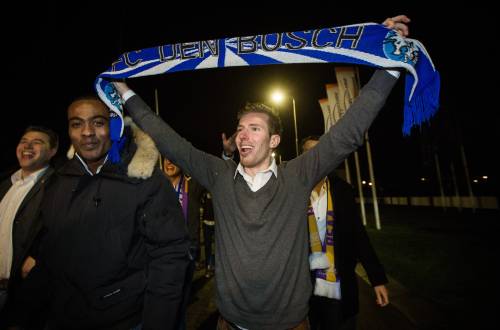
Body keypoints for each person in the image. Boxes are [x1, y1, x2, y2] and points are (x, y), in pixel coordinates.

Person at [113, 15, 410, 329]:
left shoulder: (298, 175)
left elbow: (349, 132)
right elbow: (168, 140)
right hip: (231, 323)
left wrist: (390, 65)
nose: (243, 135)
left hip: (291, 324)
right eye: (240, 129)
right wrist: (122, 89)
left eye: (254, 129)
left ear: (274, 141)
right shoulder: (218, 175)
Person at [11, 96, 190, 330]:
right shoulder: (58, 183)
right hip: (65, 316)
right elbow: (50, 255)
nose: (86, 132)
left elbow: (170, 254)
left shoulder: (145, 180)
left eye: (97, 122)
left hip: (125, 318)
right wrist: (19, 315)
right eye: (76, 124)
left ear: (114, 125)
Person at [301, 135, 389, 330]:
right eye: (309, 152)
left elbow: (358, 236)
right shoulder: (295, 192)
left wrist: (377, 279)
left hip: (340, 288)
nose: (315, 156)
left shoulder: (342, 190)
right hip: (306, 292)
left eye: (319, 151)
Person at [0, 126, 58, 325]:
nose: (27, 146)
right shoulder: (5, 182)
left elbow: (62, 228)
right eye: (24, 141)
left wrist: (38, 255)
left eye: (37, 142)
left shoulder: (58, 184)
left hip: (20, 292)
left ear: (52, 151)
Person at [163, 157, 205, 330]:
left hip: (186, 252)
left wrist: (227, 155)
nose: (169, 163)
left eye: (174, 159)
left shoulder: (192, 186)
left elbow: (212, 175)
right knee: (165, 303)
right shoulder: (156, 187)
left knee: (181, 301)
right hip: (162, 254)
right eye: (166, 159)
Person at [201, 191, 215, 278]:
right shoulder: (203, 194)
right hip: (206, 224)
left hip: (217, 224)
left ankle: (219, 267)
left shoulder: (217, 193)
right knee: (207, 246)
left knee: (220, 248)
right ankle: (208, 268)